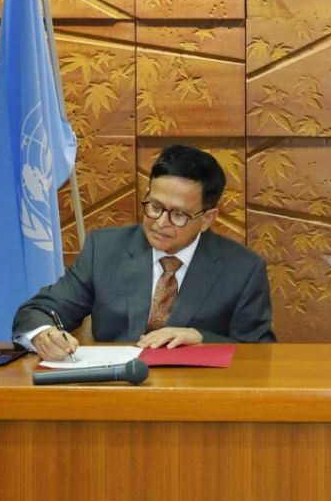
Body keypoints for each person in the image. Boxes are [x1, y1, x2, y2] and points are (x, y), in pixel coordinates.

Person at [14, 144, 275, 360]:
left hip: (198, 403)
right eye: (154, 206)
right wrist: (43, 334)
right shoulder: (104, 250)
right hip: (116, 396)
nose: (161, 222)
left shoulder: (242, 269)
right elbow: (39, 310)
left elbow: (260, 354)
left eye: (179, 214)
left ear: (207, 218)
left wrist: (202, 339)